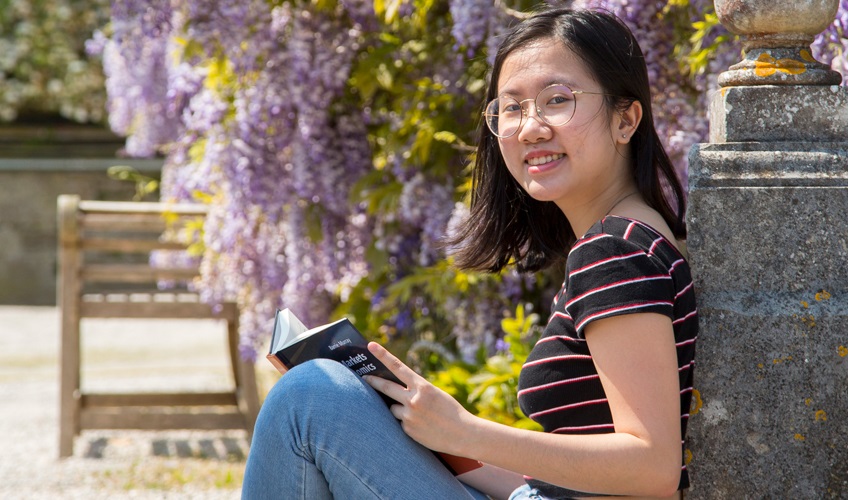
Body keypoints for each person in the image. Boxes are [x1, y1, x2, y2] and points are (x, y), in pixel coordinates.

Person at [242, 7, 697, 500]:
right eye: (512, 108)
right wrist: (437, 440)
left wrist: (468, 432)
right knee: (325, 392)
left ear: (626, 119)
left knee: (307, 398)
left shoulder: (613, 252)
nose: (530, 128)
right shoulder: (640, 237)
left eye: (557, 101)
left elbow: (651, 467)